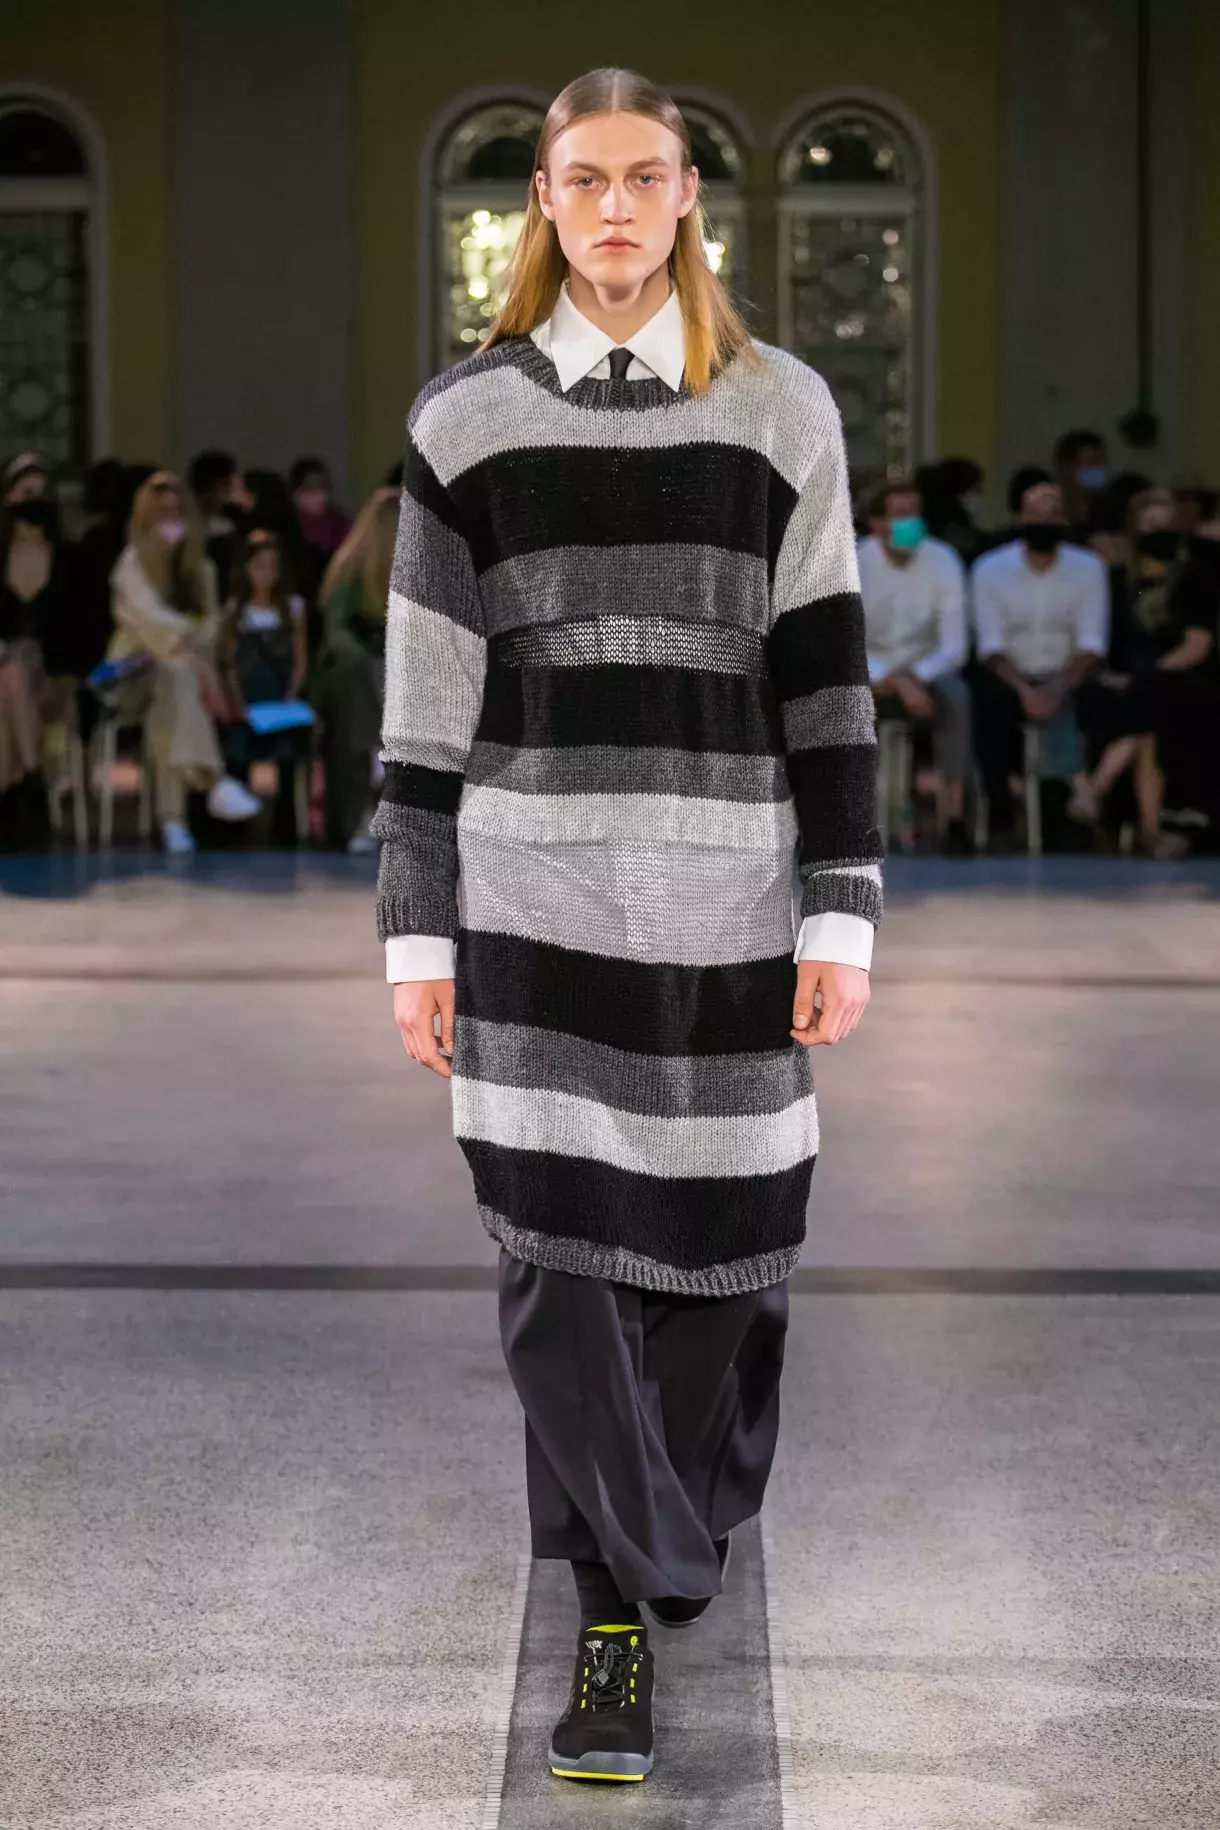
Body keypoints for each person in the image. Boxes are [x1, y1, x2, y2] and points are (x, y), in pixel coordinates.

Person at [371, 67, 881, 1784]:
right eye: (581, 178)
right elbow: (425, 704)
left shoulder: (782, 410)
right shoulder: (466, 423)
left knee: (733, 1252)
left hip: (735, 893)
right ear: (541, 198)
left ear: (685, 199)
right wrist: (418, 936)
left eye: (643, 177)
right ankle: (622, 1608)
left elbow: (829, 681)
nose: (612, 207)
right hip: (528, 892)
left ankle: (663, 1537)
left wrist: (843, 910)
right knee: (561, 1264)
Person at [105, 471, 261, 853]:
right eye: (162, 513)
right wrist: (197, 656)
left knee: (173, 697)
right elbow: (149, 620)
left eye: (177, 512)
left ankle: (174, 822)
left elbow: (211, 628)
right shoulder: (131, 565)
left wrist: (193, 653)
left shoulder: (202, 570)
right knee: (177, 678)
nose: (171, 521)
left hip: (180, 679)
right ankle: (213, 780)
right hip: (129, 675)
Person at [1069, 493, 1218, 857]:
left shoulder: (1195, 578)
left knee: (1154, 700)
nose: (1158, 531)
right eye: (1150, 524)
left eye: (1165, 523)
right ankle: (1149, 833)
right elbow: (1104, 637)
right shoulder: (1120, 580)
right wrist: (1118, 675)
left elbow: (1197, 647)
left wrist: (1143, 676)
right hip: (1125, 681)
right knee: (1144, 719)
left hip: (1181, 677)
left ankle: (1096, 788)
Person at [970, 479, 1109, 851]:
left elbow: (1091, 644)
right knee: (988, 703)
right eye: (1035, 513)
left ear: (1064, 520)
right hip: (1009, 675)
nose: (1043, 522)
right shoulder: (990, 568)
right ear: (1020, 518)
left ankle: (1077, 814)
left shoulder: (1089, 567)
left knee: (1096, 702)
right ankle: (1001, 811)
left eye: (1052, 514)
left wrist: (1056, 688)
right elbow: (991, 646)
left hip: (1069, 673)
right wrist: (1026, 691)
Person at [859, 478, 973, 854]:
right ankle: (841, 821)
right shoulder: (854, 562)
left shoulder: (943, 559)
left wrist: (914, 678)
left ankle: (955, 819)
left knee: (958, 696)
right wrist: (890, 678)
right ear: (877, 523)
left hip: (928, 673)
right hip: (869, 672)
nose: (910, 523)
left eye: (915, 514)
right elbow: (843, 643)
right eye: (900, 515)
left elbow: (955, 647)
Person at [314, 486, 396, 851]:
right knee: (363, 679)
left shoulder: (420, 573)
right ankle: (362, 812)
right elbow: (338, 635)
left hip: (391, 671)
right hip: (351, 673)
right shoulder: (349, 572)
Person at [216, 530, 310, 846]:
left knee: (290, 743)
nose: (266, 573)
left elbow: (300, 660)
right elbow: (230, 664)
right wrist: (237, 702)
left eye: (272, 566)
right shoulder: (235, 611)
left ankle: (286, 827)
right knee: (236, 741)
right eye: (259, 566)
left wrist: (291, 695)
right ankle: (237, 825)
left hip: (281, 698)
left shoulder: (293, 608)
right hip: (246, 700)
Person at [0, 453, 74, 848]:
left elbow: (76, 632)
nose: (34, 503)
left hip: (52, 678)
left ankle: (13, 792)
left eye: (42, 495)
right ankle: (30, 781)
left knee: (13, 674)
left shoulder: (67, 558)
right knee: (9, 676)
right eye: (26, 493)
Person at [1053, 427, 1110, 541]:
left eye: (1101, 462)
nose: (1099, 469)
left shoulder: (1109, 514)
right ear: (1067, 467)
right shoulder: (1050, 515)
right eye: (1092, 462)